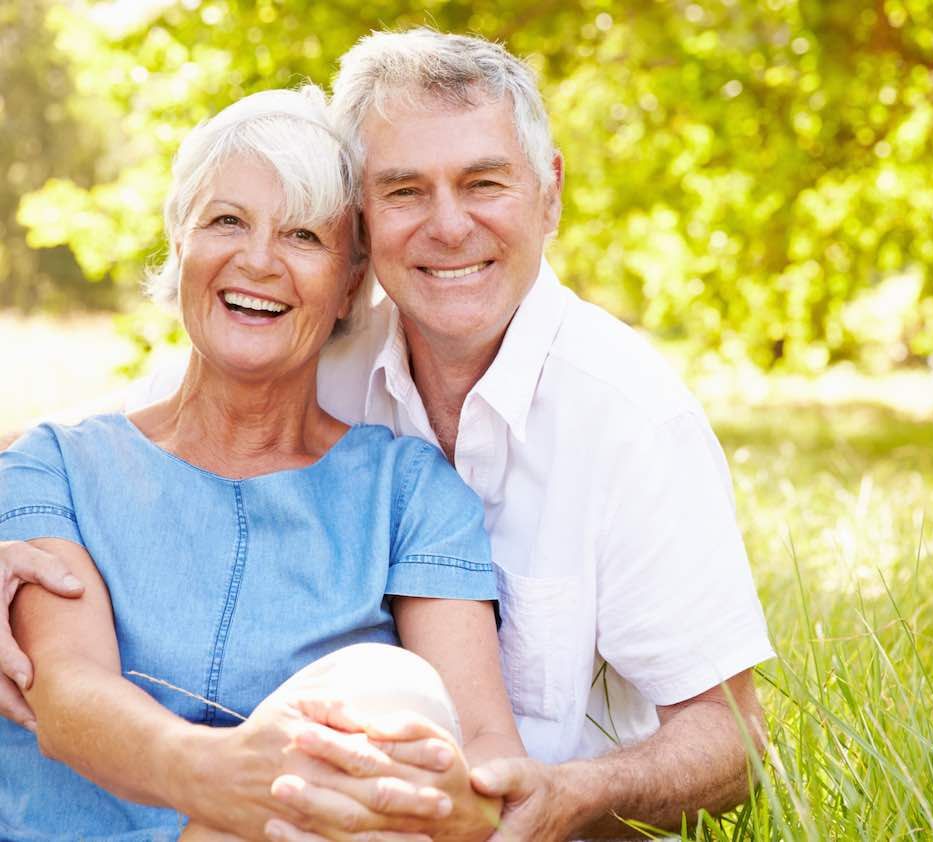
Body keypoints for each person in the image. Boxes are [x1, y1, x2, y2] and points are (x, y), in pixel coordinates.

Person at [1, 26, 775, 841]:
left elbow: (730, 737)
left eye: (483, 182)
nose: (448, 227)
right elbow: (124, 452)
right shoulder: (80, 452)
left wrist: (559, 795)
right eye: (405, 190)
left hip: (411, 815)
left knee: (377, 690)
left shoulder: (611, 425)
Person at [0, 86, 520, 840]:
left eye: (304, 236)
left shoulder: (408, 493)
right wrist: (234, 779)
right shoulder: (53, 467)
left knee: (391, 688)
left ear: (350, 285)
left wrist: (434, 793)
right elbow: (69, 698)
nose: (258, 260)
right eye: (226, 222)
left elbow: (484, 753)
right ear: (181, 244)